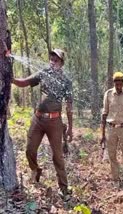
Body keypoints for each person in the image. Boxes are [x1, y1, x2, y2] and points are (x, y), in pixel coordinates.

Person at [12, 49, 73, 198]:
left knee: (58, 156)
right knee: (29, 150)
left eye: (56, 60)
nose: (53, 62)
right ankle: (36, 169)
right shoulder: (43, 73)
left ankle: (64, 188)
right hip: (38, 120)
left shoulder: (66, 81)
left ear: (61, 63)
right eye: (51, 59)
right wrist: (10, 79)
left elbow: (69, 106)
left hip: (55, 122)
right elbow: (24, 82)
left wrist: (71, 128)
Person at [100, 72, 123, 189]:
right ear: (114, 83)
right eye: (116, 84)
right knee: (112, 155)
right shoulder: (108, 94)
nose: (118, 86)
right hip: (111, 128)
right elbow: (104, 114)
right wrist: (102, 133)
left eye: (120, 84)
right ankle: (116, 179)